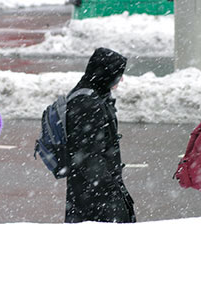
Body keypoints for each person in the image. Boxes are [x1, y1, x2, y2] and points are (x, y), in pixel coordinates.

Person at [65, 47, 136, 223]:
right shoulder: (87, 102)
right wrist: (111, 191)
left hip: (91, 191)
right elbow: (88, 157)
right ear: (106, 73)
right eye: (118, 74)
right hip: (94, 196)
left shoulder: (95, 93)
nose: (121, 78)